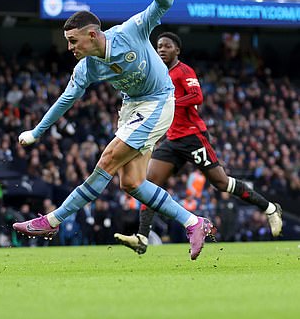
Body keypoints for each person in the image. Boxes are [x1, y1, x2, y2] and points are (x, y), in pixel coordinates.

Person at [13, 0, 214, 260]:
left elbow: (166, 1)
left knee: (106, 161)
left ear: (92, 35)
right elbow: (65, 100)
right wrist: (36, 132)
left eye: (73, 41)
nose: (69, 47)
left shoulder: (131, 30)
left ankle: (51, 221)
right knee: (131, 183)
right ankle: (194, 222)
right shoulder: (87, 66)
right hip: (132, 107)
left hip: (158, 101)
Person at [114, 32, 282, 253]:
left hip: (193, 137)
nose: (162, 49)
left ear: (177, 50)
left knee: (221, 183)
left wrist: (171, 100)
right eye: (159, 46)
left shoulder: (184, 71)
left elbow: (197, 96)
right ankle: (142, 237)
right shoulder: (158, 74)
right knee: (149, 182)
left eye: (167, 46)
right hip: (172, 139)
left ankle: (270, 208)